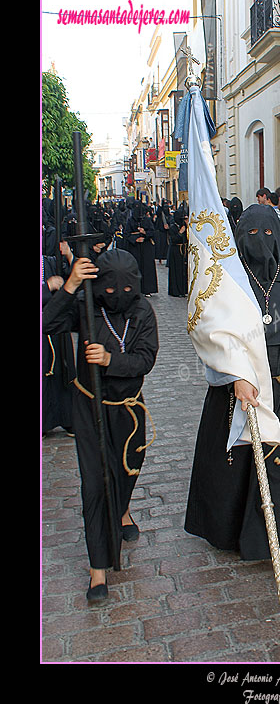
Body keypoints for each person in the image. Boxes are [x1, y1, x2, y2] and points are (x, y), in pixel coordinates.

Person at [184, 204, 280, 589]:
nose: (259, 243)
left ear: (278, 239)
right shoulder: (227, 282)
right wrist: (234, 377)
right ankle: (231, 533)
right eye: (251, 235)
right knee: (235, 466)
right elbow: (211, 337)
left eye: (267, 235)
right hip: (237, 391)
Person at [42, 249, 159, 599]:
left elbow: (145, 359)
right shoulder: (86, 308)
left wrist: (111, 360)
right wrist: (71, 286)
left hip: (128, 407)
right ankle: (98, 569)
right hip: (89, 406)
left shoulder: (142, 311)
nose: (117, 297)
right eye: (109, 291)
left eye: (125, 290)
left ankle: (122, 510)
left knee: (126, 471)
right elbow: (47, 324)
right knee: (95, 483)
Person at [42, 241, 76, 436]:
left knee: (62, 370)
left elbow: (69, 278)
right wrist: (47, 286)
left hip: (55, 326)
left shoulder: (49, 261)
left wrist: (69, 255)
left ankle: (67, 418)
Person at [124, 202, 158, 296]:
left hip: (146, 247)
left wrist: (145, 233)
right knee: (136, 267)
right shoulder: (130, 221)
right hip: (135, 248)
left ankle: (147, 289)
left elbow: (152, 232)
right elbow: (126, 234)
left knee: (147, 268)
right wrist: (135, 239)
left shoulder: (147, 220)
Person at [167, 205, 188, 297]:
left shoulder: (185, 226)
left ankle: (183, 290)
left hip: (183, 250)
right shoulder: (173, 227)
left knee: (183, 271)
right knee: (176, 271)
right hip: (175, 251)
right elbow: (173, 239)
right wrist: (180, 233)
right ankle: (176, 290)